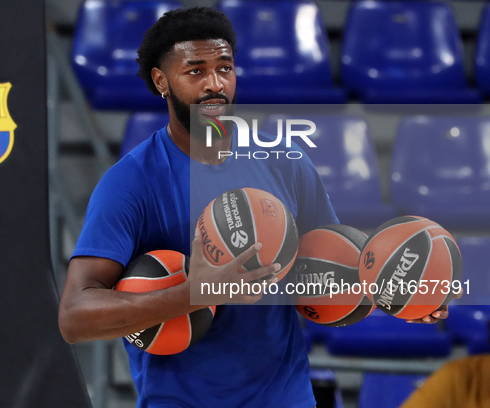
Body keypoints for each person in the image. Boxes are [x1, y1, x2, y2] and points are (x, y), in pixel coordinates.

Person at [58, 7, 450, 407]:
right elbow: (74, 317)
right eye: (195, 71)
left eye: (224, 68)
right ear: (161, 81)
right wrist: (192, 294)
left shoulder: (284, 159)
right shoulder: (130, 183)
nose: (215, 84)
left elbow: (327, 274)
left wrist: (395, 294)